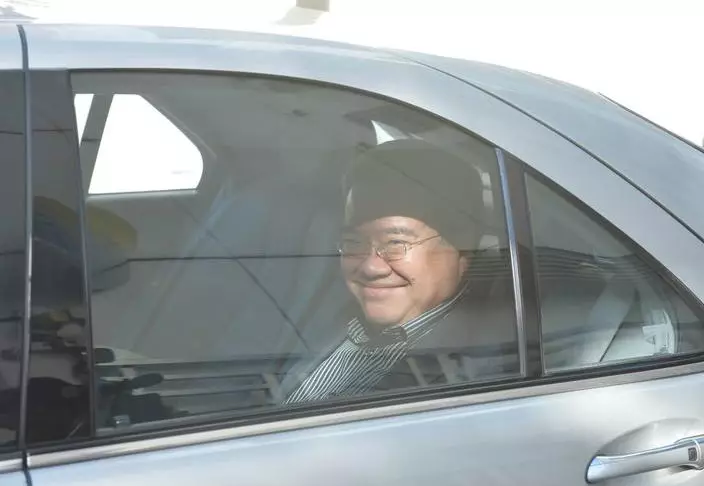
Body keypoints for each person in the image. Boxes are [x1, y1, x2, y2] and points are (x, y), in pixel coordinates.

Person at [284, 139, 513, 403]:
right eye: (353, 242)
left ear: (464, 245)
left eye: (395, 243)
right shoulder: (328, 316)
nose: (371, 267)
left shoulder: (480, 373)